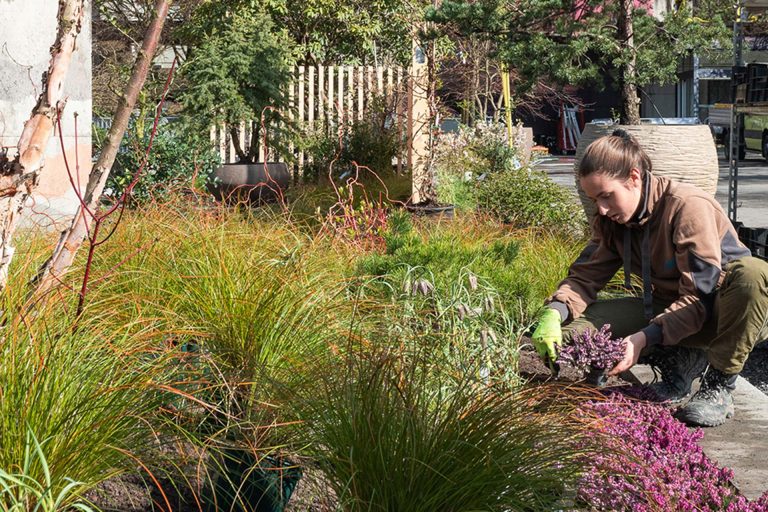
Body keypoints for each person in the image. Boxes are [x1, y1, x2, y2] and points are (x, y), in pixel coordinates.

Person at [531, 129, 768, 427]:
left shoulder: (687, 207)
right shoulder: (613, 220)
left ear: (634, 177)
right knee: (569, 334)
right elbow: (584, 277)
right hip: (667, 308)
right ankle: (682, 357)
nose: (602, 208)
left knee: (753, 273)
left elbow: (700, 296)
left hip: (723, 313)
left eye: (607, 196)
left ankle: (718, 385)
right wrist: (555, 311)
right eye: (595, 200)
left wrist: (643, 339)